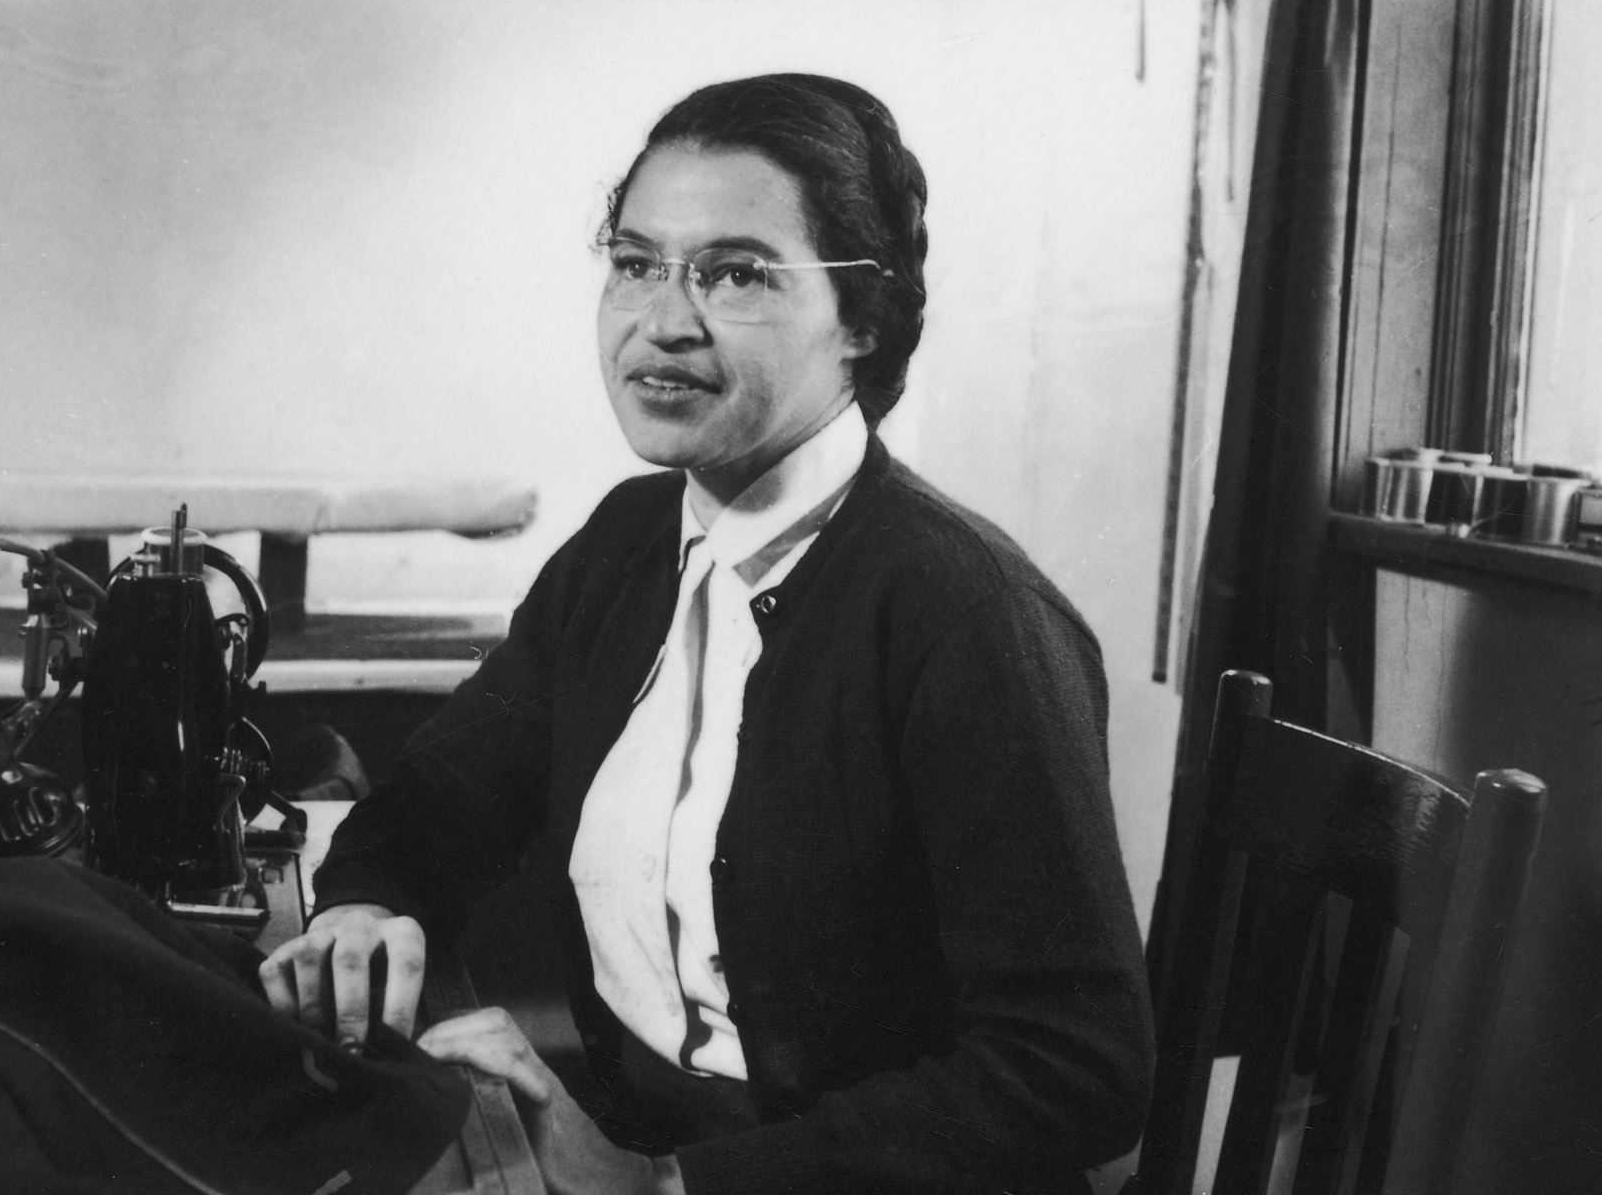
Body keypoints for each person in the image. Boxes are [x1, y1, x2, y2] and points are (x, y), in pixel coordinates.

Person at [261, 73, 1153, 1195]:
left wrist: (673, 1186)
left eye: (736, 274)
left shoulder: (964, 615)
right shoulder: (631, 543)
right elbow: (446, 796)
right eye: (634, 264)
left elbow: (1077, 1069)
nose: (662, 322)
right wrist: (362, 906)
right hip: (627, 1141)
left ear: (863, 321)